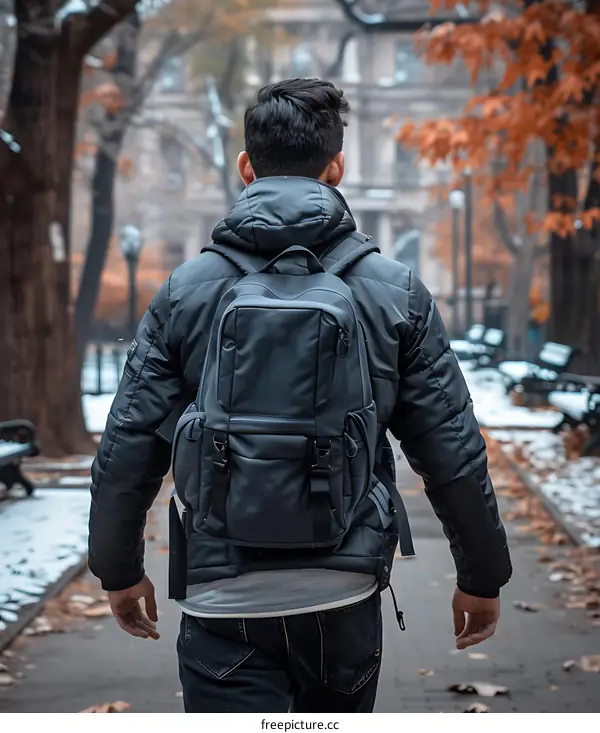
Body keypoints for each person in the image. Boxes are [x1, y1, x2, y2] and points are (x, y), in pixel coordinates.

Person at [89, 78, 512, 714]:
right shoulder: (395, 290)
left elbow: (128, 446)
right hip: (340, 587)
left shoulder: (186, 290)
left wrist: (117, 570)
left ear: (245, 167)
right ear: (336, 168)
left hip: (218, 588)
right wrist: (481, 576)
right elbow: (450, 447)